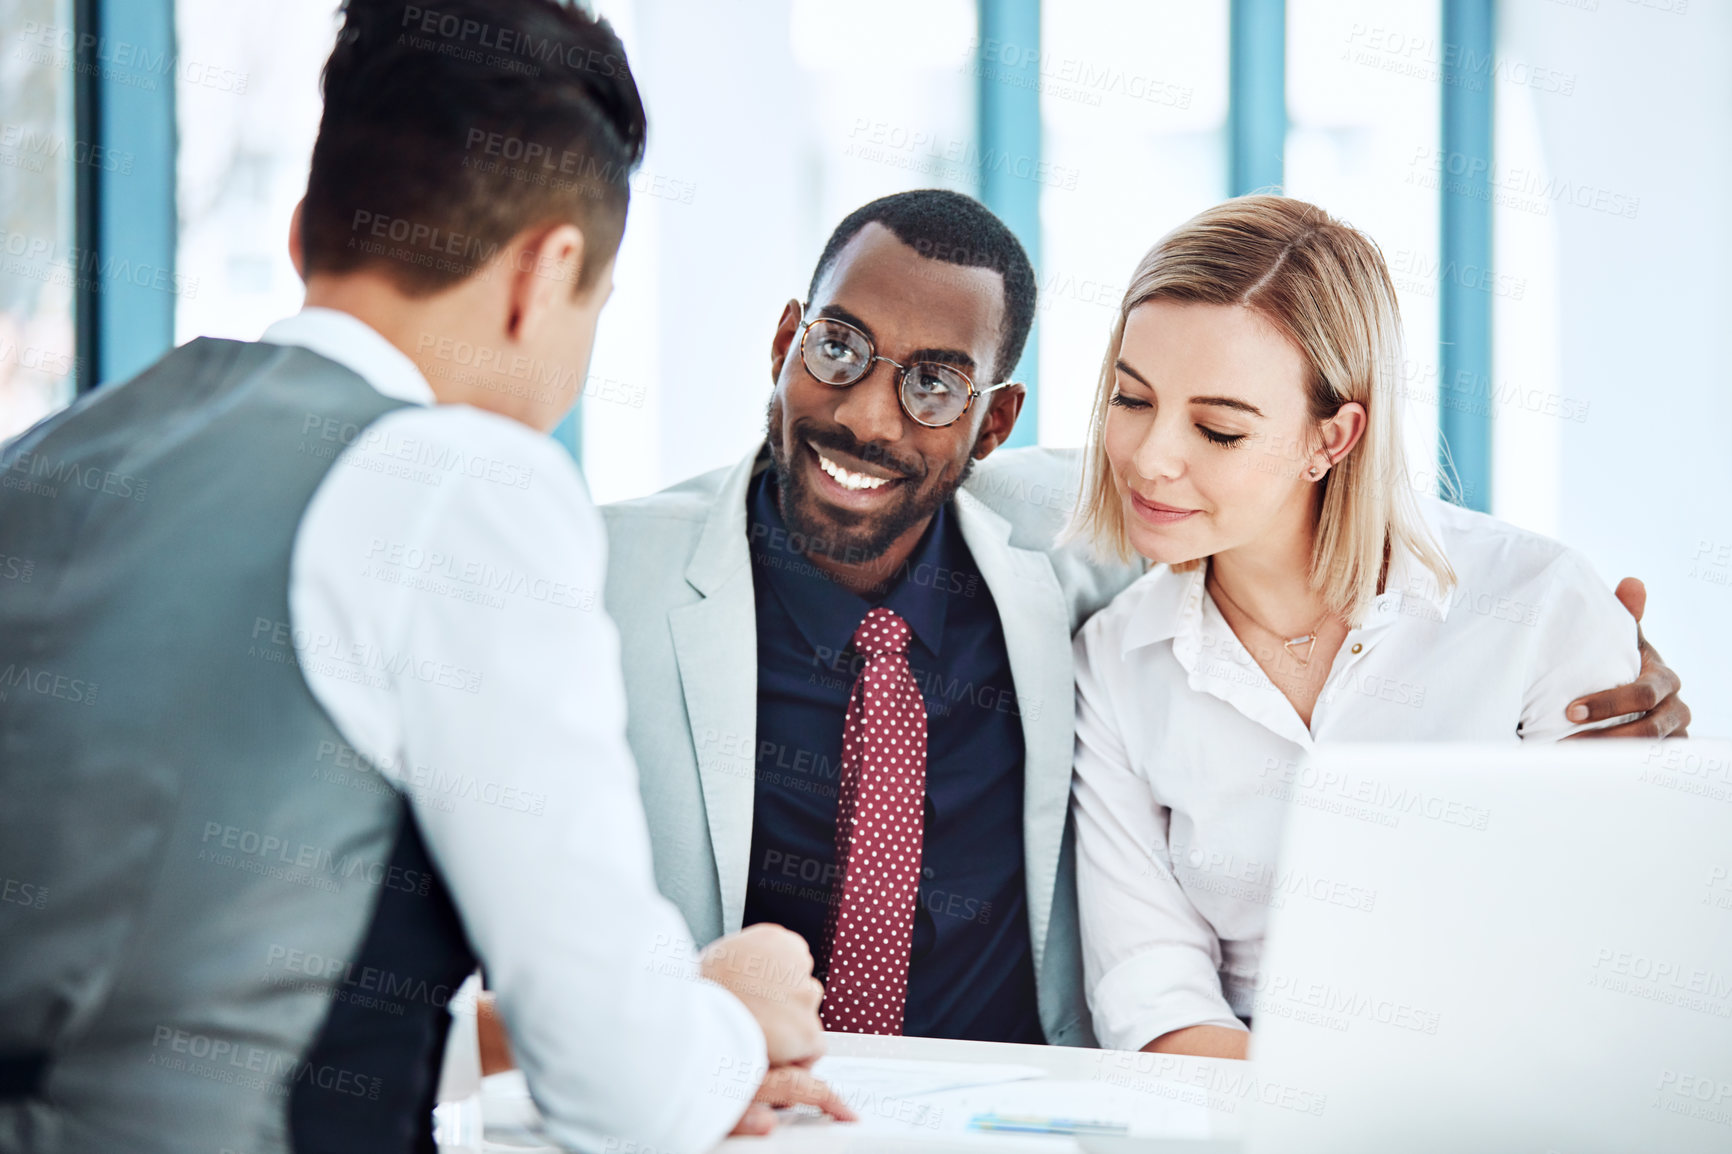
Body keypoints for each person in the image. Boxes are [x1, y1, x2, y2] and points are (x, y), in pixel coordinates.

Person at [0, 2, 841, 1152]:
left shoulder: (49, 459)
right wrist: (726, 1017)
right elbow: (624, 1089)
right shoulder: (462, 483)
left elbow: (192, 999)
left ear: (305, 231)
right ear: (544, 274)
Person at [579, 190, 1687, 1051]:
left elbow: (1633, 938)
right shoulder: (603, 574)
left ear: (994, 423)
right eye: (835, 349)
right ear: (783, 342)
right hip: (739, 1096)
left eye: (931, 385)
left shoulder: (1099, 549)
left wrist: (1615, 694)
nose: (869, 414)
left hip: (1036, 1100)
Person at [1066, 195, 1688, 1061]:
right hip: (1241, 1108)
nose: (1149, 456)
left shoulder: (1537, 605)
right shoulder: (1116, 659)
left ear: (1335, 435)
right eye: (1131, 400)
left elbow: (1625, 943)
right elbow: (1154, 993)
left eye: (1217, 428)